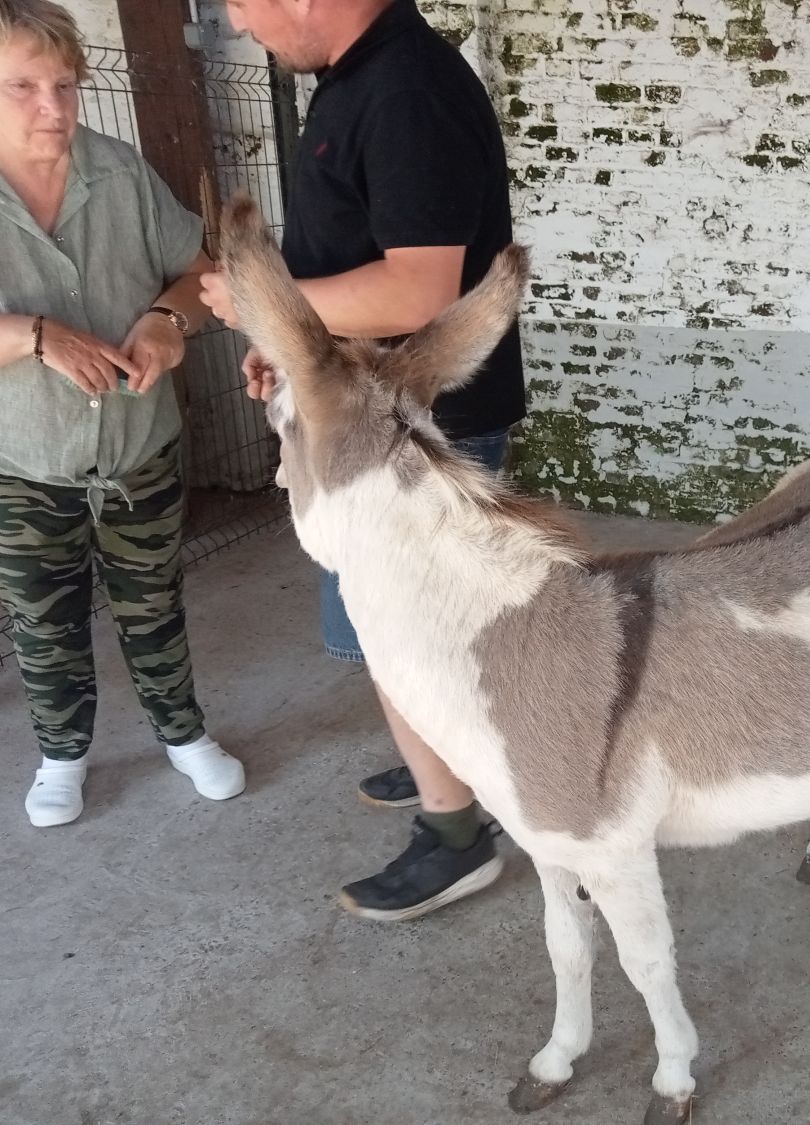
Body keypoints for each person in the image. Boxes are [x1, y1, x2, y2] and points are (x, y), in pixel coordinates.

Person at [203, 0, 525, 920]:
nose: (239, 22)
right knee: (420, 629)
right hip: (373, 417)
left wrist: (267, 307)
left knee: (400, 633)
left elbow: (417, 290)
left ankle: (456, 836)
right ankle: (448, 753)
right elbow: (359, 272)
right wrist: (293, 347)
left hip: (411, 434)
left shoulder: (404, 91)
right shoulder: (360, 77)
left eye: (242, 1)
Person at [0, 0, 245, 827]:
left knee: (154, 603)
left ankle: (183, 733)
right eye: (23, 87)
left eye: (65, 85)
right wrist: (34, 335)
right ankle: (62, 756)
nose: (53, 108)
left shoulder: (119, 171)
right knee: (44, 621)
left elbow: (200, 274)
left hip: (139, 446)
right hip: (25, 463)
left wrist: (168, 321)